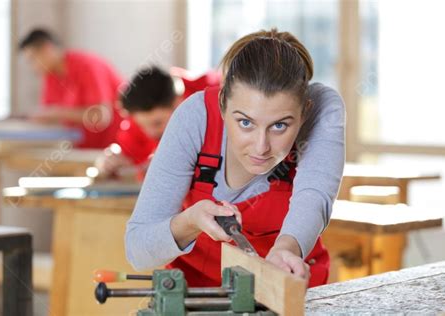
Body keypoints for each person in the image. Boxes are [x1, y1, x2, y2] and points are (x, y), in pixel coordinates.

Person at [125, 29, 345, 288]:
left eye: (279, 126)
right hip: (198, 295)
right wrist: (191, 221)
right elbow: (137, 250)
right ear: (222, 104)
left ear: (305, 111)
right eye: (245, 122)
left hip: (286, 288)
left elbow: (313, 195)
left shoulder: (321, 107)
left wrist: (286, 250)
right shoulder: (195, 117)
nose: (261, 147)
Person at [95, 66, 220, 177]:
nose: (150, 133)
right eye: (142, 125)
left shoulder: (216, 98)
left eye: (157, 123)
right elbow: (126, 152)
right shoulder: (142, 116)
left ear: (179, 103)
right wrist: (112, 159)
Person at [19, 28, 123, 148]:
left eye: (32, 59)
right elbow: (50, 113)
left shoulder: (88, 66)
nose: (32, 67)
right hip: (86, 147)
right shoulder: (50, 75)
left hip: (117, 147)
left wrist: (56, 113)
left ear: (47, 48)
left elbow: (101, 117)